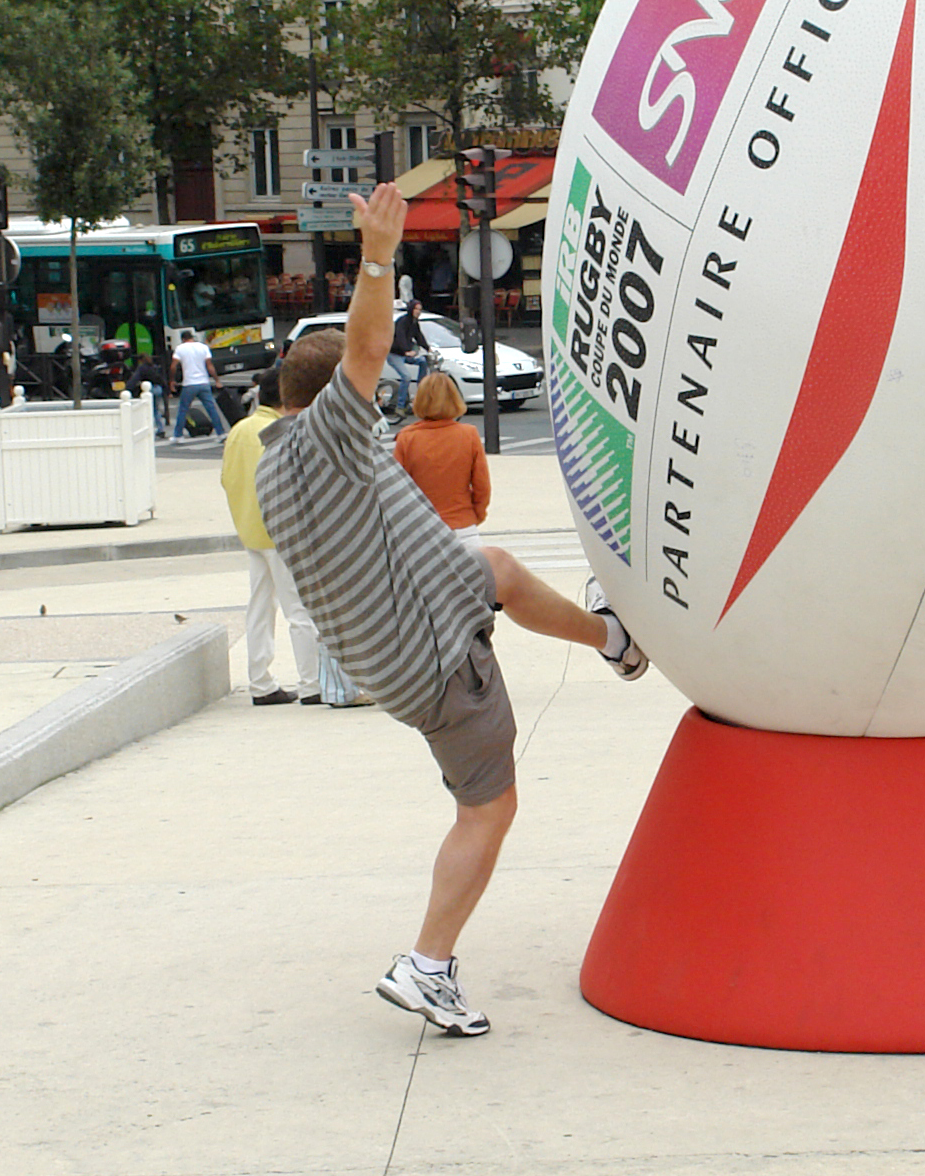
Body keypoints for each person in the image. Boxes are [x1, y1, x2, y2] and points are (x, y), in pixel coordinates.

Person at [255, 181, 648, 1039]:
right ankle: (427, 966)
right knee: (489, 808)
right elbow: (365, 348)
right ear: (333, 400)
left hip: (400, 639)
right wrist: (377, 258)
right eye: (369, 396)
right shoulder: (329, 437)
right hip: (435, 660)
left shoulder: (274, 463)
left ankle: (613, 639)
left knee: (494, 567)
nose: (381, 402)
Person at [220, 368, 320, 706]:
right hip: (283, 531)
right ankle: (312, 683)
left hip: (250, 530)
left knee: (260, 608)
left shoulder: (240, 430)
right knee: (299, 610)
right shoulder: (281, 432)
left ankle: (260, 682)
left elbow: (227, 478)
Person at [394, 373, 490, 551]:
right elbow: (482, 486)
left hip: (421, 528)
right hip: (462, 525)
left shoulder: (407, 438)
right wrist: (475, 515)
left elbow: (397, 491)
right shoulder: (469, 434)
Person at [170, 329, 229, 440]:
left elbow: (173, 366)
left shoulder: (180, 348)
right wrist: (217, 380)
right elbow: (209, 366)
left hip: (189, 384)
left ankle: (178, 436)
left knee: (183, 410)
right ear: (192, 337)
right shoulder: (203, 347)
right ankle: (220, 433)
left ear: (183, 339)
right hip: (204, 383)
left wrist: (172, 380)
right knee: (211, 409)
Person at [387, 300, 431, 416]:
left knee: (423, 361)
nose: (418, 312)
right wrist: (406, 350)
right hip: (395, 354)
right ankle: (400, 407)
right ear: (411, 309)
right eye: (416, 309)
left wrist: (428, 348)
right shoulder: (402, 321)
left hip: (405, 354)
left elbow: (419, 336)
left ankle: (420, 387)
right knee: (406, 377)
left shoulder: (414, 323)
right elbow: (400, 336)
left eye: (420, 310)